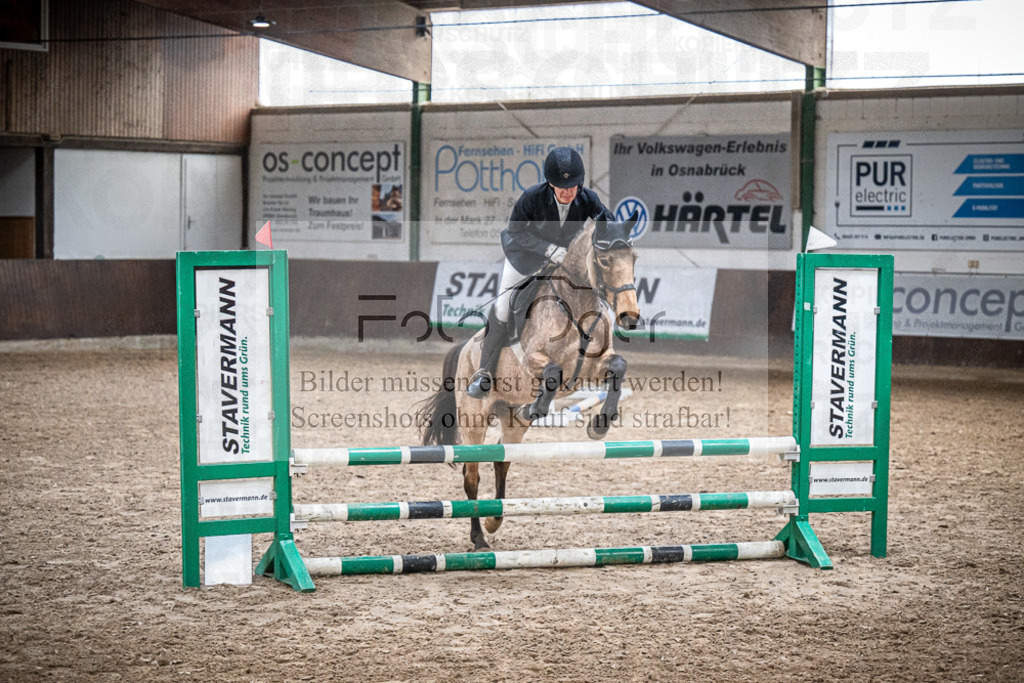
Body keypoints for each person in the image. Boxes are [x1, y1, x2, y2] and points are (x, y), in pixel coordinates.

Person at [467, 146, 610, 398]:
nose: (567, 192)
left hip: (565, 261)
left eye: (573, 186)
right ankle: (484, 373)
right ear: (550, 184)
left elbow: (609, 223)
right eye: (560, 186)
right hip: (525, 257)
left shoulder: (589, 199)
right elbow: (516, 232)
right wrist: (548, 249)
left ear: (581, 182)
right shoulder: (531, 197)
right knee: (503, 305)